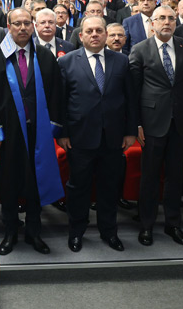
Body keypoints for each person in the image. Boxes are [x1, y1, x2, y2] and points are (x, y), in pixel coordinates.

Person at [0, 8, 64, 256]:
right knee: (9, 181)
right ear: (8, 26)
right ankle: (10, 231)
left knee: (35, 181)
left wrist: (54, 128)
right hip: (8, 132)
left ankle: (34, 231)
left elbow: (56, 94)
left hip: (39, 130)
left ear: (33, 26)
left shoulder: (45, 56)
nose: (23, 28)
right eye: (17, 24)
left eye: (27, 23)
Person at [58, 15, 136, 252]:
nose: (94, 35)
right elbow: (60, 102)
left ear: (106, 34)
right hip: (79, 137)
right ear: (81, 35)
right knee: (78, 188)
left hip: (112, 137)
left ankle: (109, 231)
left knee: (109, 188)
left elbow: (131, 99)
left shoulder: (121, 61)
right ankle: (76, 232)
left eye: (99, 31)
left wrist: (130, 131)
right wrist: (62, 133)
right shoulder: (67, 62)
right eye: (89, 31)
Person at [129, 4, 183, 246]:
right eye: (161, 18)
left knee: (175, 176)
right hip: (151, 124)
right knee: (149, 177)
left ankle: (173, 224)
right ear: (152, 23)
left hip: (180, 122)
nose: (166, 22)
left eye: (171, 18)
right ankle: (146, 225)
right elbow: (133, 92)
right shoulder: (140, 49)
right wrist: (137, 124)